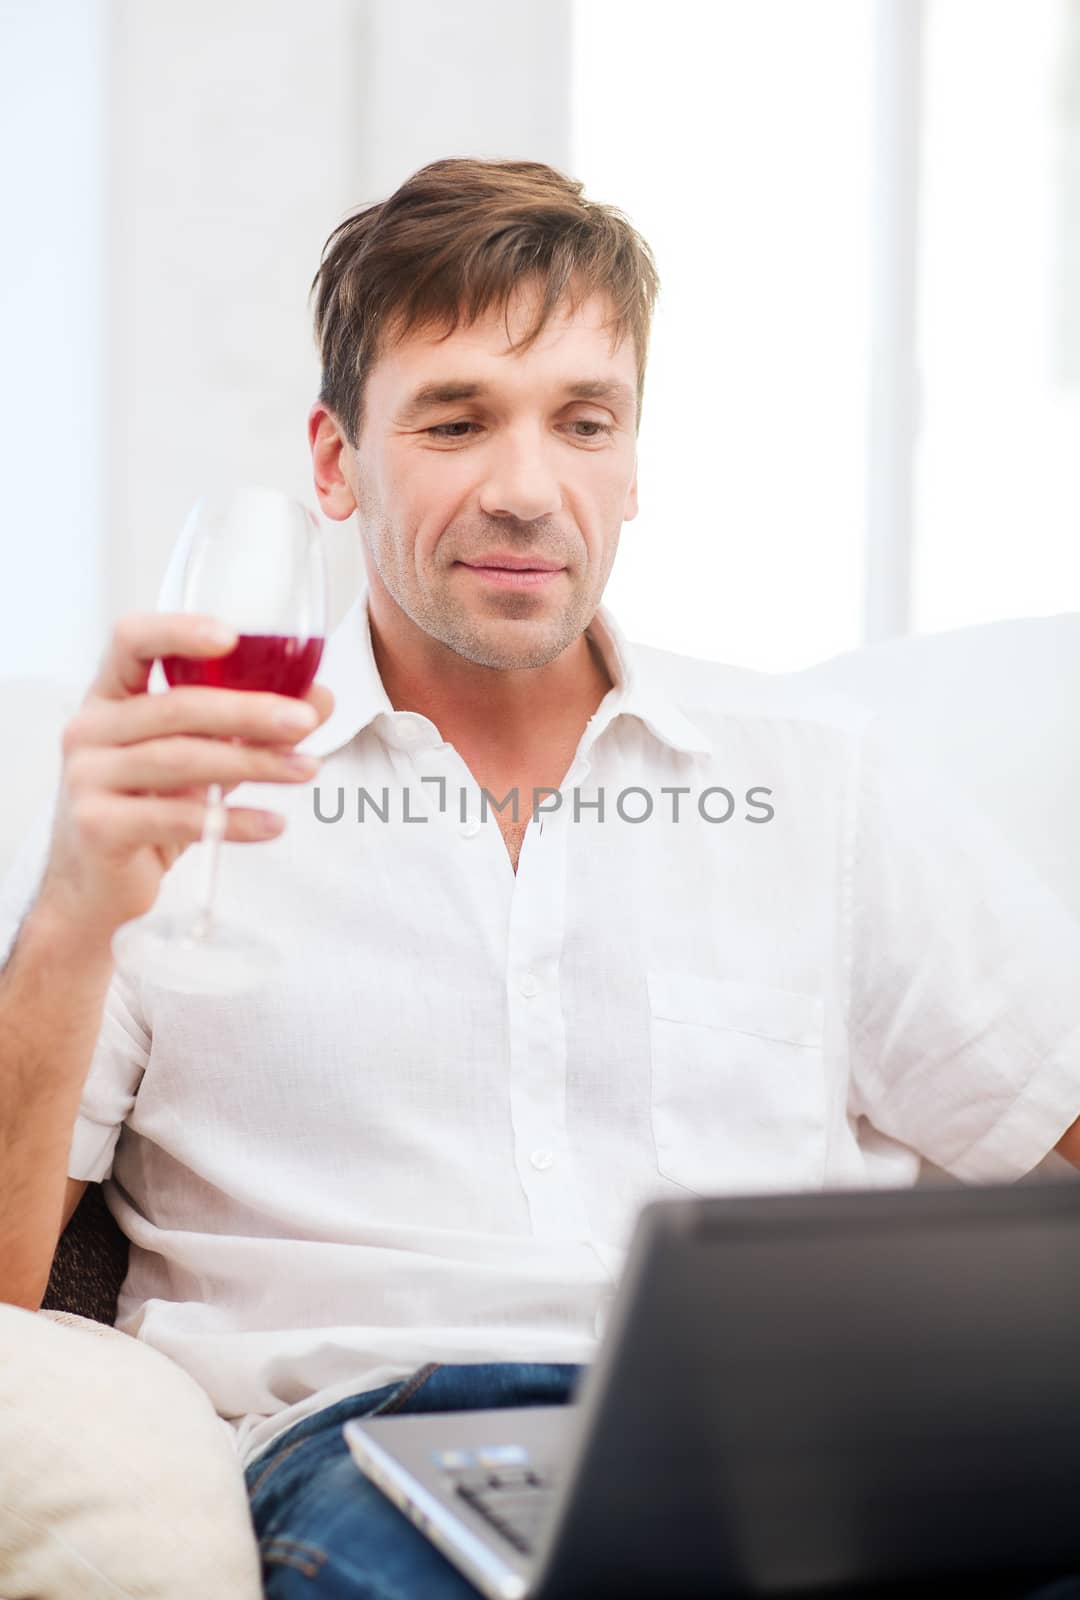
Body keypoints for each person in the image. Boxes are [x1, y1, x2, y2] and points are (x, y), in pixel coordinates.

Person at [1, 157, 1079, 1600]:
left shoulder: (824, 777)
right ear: (335, 461)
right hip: (378, 1450)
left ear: (631, 462)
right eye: (455, 421)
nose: (526, 489)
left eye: (583, 422)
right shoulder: (170, 785)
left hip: (799, 1454)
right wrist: (76, 907)